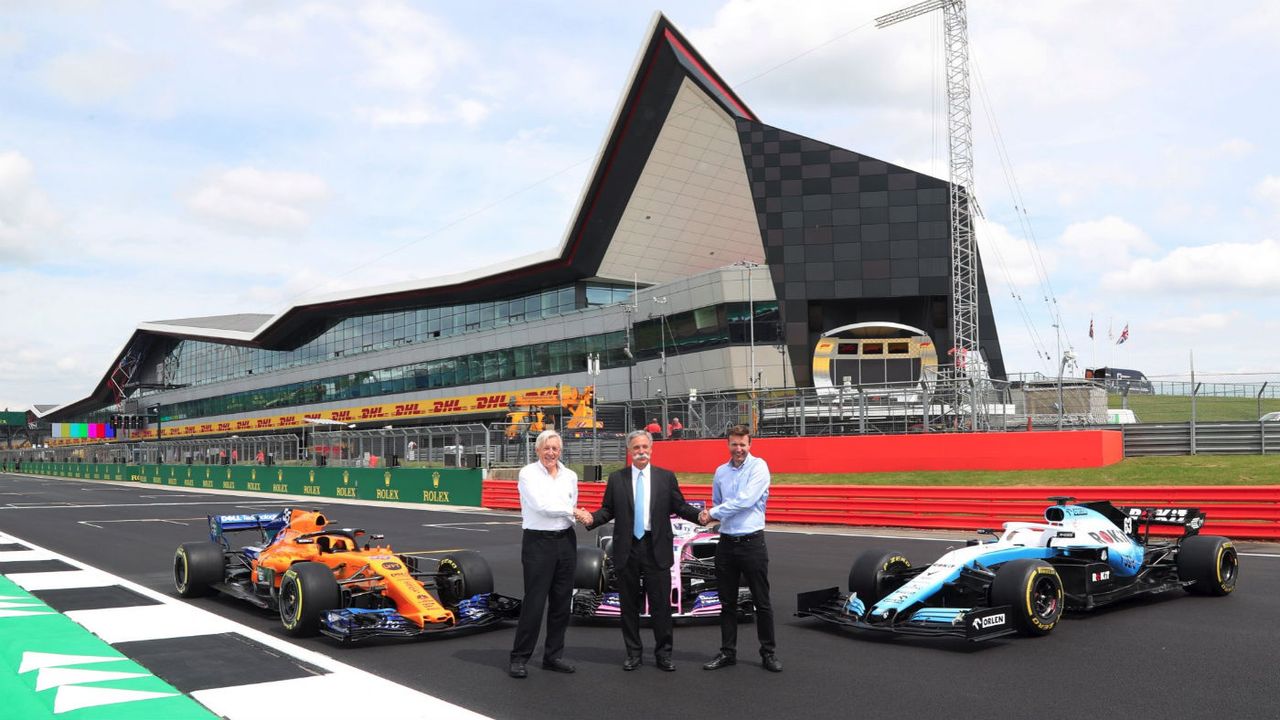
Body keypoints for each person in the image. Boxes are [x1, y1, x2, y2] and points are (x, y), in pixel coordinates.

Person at [575, 430, 702, 672]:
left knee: (661, 606)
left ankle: (664, 654)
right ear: (629, 451)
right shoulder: (617, 479)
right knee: (629, 606)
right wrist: (590, 518)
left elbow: (681, 506)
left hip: (657, 548)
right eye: (636, 448)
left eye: (645, 447)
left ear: (651, 449)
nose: (641, 451)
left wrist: (700, 516)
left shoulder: (666, 478)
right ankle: (633, 653)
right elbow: (607, 510)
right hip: (627, 549)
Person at [700, 425, 781, 673]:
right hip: (726, 543)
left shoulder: (759, 467)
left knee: (762, 601)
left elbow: (745, 501)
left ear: (750, 444)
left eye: (742, 444)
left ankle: (768, 653)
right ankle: (727, 652)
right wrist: (712, 513)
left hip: (752, 542)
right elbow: (717, 500)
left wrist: (712, 513)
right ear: (728, 444)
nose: (738, 449)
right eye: (734, 444)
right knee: (726, 603)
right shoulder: (720, 472)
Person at [509, 429, 579, 679]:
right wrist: (574, 511)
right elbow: (541, 506)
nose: (551, 452)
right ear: (537, 450)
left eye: (555, 448)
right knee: (535, 602)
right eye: (546, 448)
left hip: (566, 541)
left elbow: (570, 504)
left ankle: (553, 656)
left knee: (562, 602)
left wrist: (572, 512)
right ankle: (519, 657)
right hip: (538, 542)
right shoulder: (527, 473)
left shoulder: (570, 475)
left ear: (561, 451)